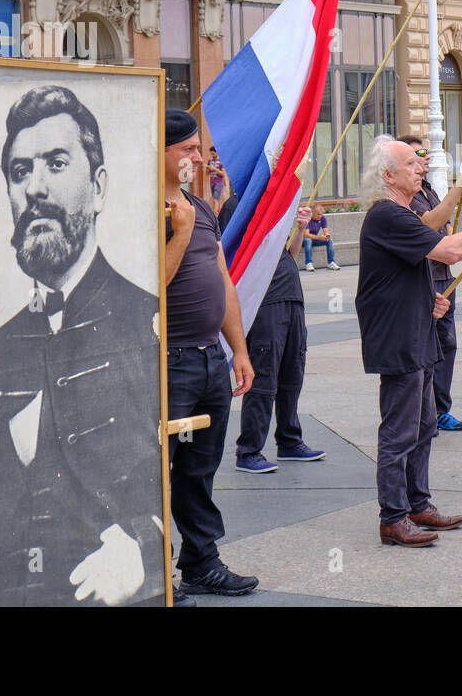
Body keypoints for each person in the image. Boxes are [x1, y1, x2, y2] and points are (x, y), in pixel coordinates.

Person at [0, 86, 164, 606]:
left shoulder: (150, 324)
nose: (35, 188)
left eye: (56, 163)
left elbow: (182, 468)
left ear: (98, 188)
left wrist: (146, 551)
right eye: (20, 172)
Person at [355, 136, 462, 546]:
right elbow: (448, 251)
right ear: (388, 175)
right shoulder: (387, 215)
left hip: (417, 329)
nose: (422, 166)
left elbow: (404, 271)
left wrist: (430, 299)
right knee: (400, 428)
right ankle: (393, 517)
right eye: (413, 162)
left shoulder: (404, 212)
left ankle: (417, 504)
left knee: (426, 423)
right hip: (398, 338)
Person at [163, 110, 259, 599]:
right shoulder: (145, 209)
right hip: (168, 363)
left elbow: (223, 280)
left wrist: (237, 350)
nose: (199, 158)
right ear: (159, 153)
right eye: (188, 150)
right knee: (157, 469)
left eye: (199, 149)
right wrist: (177, 232)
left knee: (200, 469)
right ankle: (152, 568)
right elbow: (147, 286)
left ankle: (200, 561)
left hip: (208, 359)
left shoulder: (199, 207)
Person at [230, 205, 326, 474]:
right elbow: (234, 256)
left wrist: (300, 228)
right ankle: (248, 450)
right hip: (265, 302)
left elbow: (289, 254)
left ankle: (289, 440)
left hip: (291, 297)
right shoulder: (241, 204)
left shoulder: (275, 201)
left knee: (292, 374)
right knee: (263, 378)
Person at [399, 135, 462, 432]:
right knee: (427, 348)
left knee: (447, 344)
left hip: (443, 275)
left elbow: (441, 225)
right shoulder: (410, 195)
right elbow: (430, 222)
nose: (426, 158)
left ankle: (439, 409)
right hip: (426, 279)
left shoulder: (427, 189)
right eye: (419, 153)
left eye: (427, 153)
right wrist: (458, 188)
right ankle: (424, 409)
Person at [303, 204, 339, 271]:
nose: (320, 216)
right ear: (313, 212)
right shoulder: (307, 219)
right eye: (318, 214)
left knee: (329, 240)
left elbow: (325, 230)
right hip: (302, 241)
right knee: (308, 240)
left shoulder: (323, 218)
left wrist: (327, 236)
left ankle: (331, 262)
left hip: (314, 239)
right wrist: (319, 237)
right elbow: (306, 234)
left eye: (321, 214)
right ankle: (308, 263)